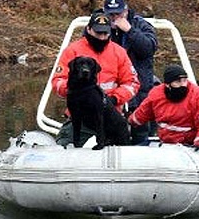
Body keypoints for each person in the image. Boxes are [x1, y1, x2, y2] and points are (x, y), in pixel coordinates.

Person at [52, 10, 139, 147]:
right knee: (62, 147)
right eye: (98, 33)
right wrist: (73, 89)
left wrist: (114, 98)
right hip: (79, 116)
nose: (102, 37)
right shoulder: (73, 50)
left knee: (124, 145)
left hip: (109, 114)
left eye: (105, 33)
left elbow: (132, 83)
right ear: (88, 29)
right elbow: (57, 82)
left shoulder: (119, 53)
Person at [102, 0, 158, 144]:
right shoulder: (99, 26)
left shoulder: (141, 25)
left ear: (125, 11)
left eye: (118, 14)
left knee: (140, 129)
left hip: (139, 89)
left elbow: (148, 48)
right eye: (110, 14)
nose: (114, 18)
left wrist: (130, 31)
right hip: (111, 90)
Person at [128, 64, 199, 148]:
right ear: (167, 84)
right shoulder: (156, 94)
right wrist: (129, 122)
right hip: (166, 142)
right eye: (178, 82)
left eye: (184, 80)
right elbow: (142, 113)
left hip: (188, 144)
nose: (183, 85)